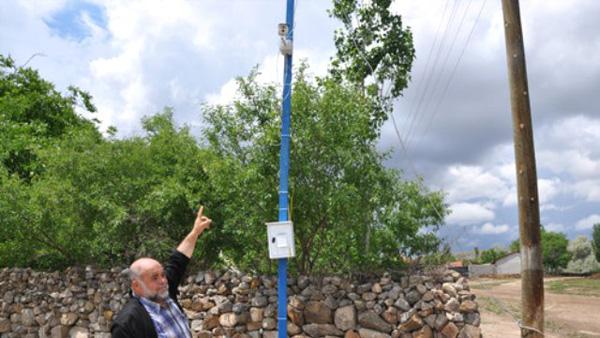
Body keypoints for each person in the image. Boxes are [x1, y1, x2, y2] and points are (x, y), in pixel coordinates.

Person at [111, 206, 212, 338]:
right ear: (136, 285)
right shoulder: (127, 323)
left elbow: (178, 259)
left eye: (162, 274)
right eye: (154, 278)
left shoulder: (164, 291)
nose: (163, 280)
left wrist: (195, 232)